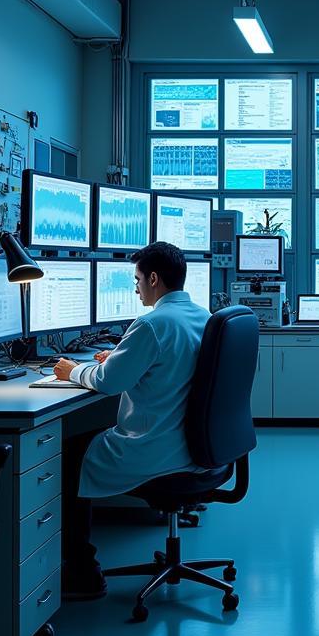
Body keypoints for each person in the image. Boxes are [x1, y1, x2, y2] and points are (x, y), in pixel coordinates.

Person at [53, 241, 210, 599]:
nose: (136, 287)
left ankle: (82, 572)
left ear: (154, 278)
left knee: (66, 455)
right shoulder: (201, 317)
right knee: (83, 443)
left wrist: (73, 370)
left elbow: (109, 383)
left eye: (137, 279)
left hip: (155, 446)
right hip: (192, 444)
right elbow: (168, 365)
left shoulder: (152, 323)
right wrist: (122, 357)